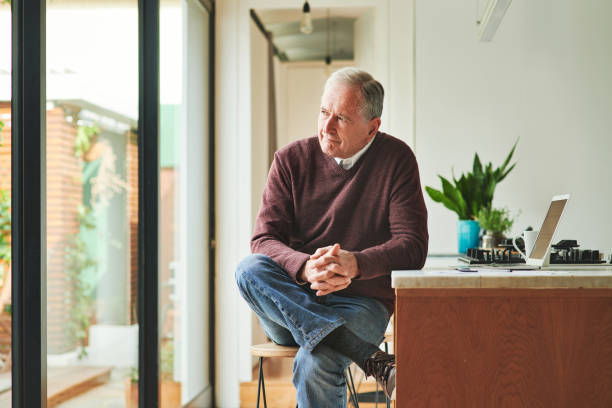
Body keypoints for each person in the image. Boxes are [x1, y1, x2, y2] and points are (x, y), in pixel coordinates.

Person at [236, 67, 428, 407]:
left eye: (341, 118)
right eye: (324, 112)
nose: (327, 127)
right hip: (290, 302)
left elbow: (412, 247)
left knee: (316, 362)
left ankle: (344, 344)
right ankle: (367, 357)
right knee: (248, 269)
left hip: (361, 304)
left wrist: (354, 264)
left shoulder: (396, 160)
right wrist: (308, 268)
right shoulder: (290, 160)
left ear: (372, 128)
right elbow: (264, 239)